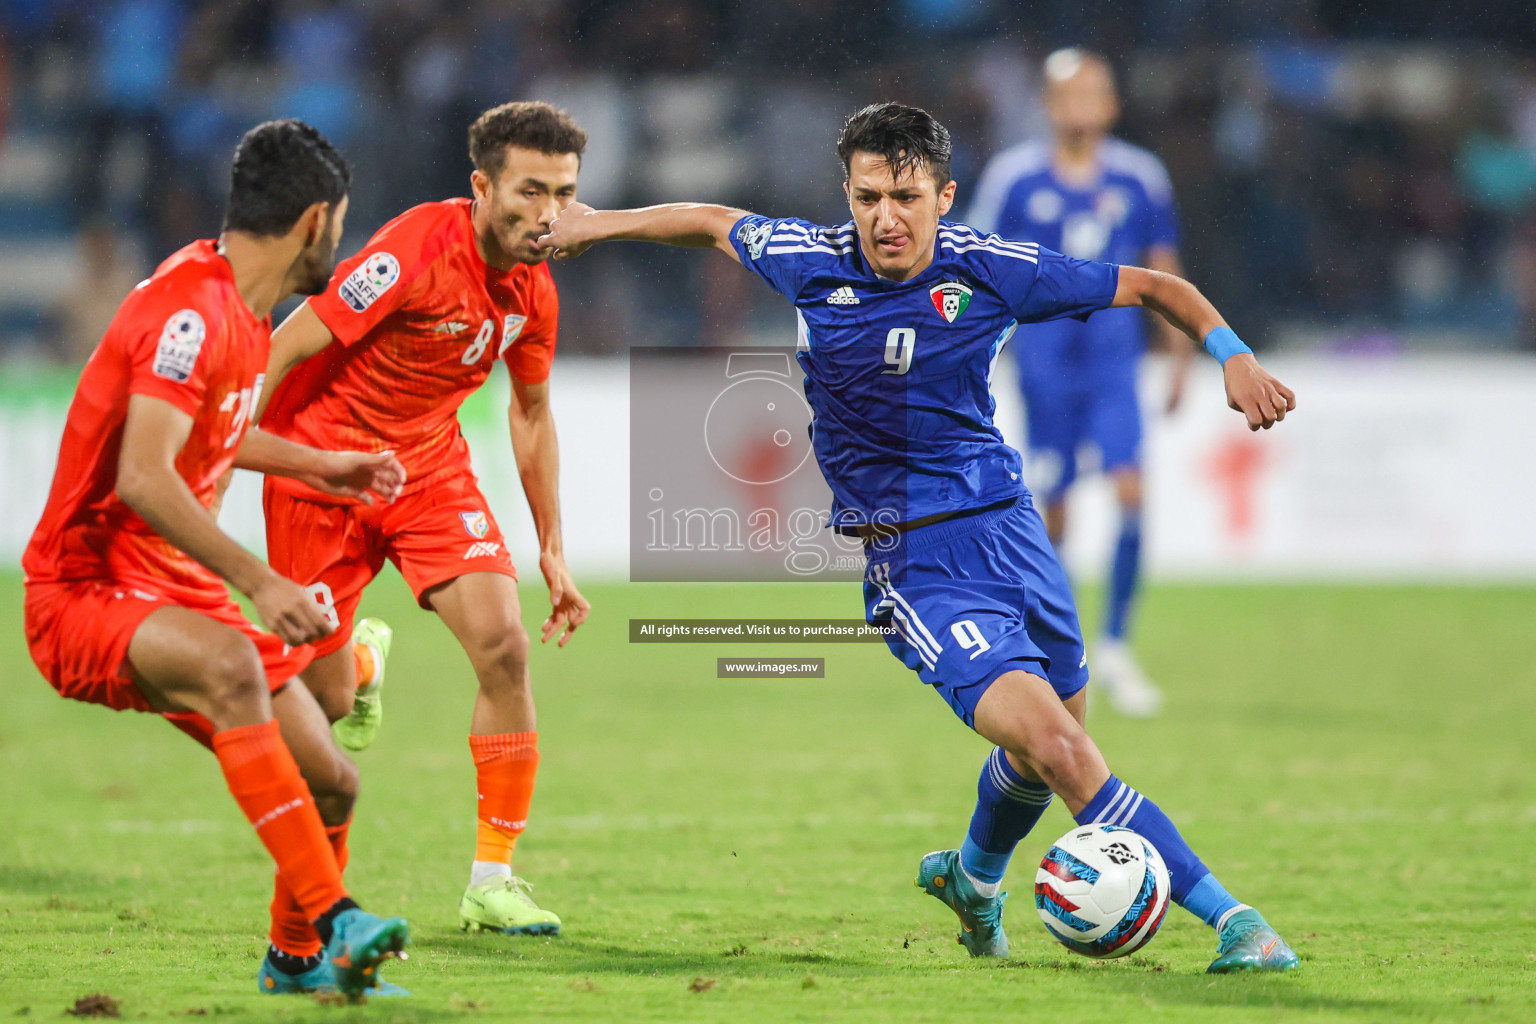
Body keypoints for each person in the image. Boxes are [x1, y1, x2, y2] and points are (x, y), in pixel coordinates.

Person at [536, 102, 1300, 973]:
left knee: (1046, 744)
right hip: (915, 558)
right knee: (1061, 748)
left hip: (1012, 533)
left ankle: (973, 882)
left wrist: (1231, 351)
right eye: (866, 197)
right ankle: (1236, 919)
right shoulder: (811, 261)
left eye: (903, 196)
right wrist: (598, 224)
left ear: (944, 196)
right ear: (848, 194)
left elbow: (1157, 287)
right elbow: (713, 222)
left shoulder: (994, 270)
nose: (883, 219)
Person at [22, 119, 411, 996]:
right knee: (237, 663)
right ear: (317, 221)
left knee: (334, 781)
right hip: (83, 591)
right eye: (341, 227)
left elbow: (218, 433)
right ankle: (343, 920)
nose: (339, 245)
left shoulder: (240, 306)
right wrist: (260, 578)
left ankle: (297, 959)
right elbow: (144, 477)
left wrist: (323, 465)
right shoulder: (189, 311)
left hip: (175, 588)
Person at [258, 101, 590, 937]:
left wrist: (551, 548)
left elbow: (530, 413)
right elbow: (293, 340)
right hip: (320, 472)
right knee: (325, 703)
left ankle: (493, 878)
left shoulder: (535, 289)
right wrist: (232, 436)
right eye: (530, 191)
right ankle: (360, 670)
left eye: (564, 193)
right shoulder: (413, 248)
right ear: (482, 187)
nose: (549, 214)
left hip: (426, 471)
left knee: (505, 647)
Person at [969, 48, 1191, 717]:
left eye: (1095, 93)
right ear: (1047, 103)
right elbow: (977, 265)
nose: (1082, 106)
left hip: (1112, 364)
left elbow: (1162, 266)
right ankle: (1066, 653)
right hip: (1045, 367)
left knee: (1129, 488)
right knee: (1055, 508)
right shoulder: (1014, 178)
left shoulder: (1139, 177)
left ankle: (1118, 644)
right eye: (1070, 94)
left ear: (1112, 104)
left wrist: (1178, 356)